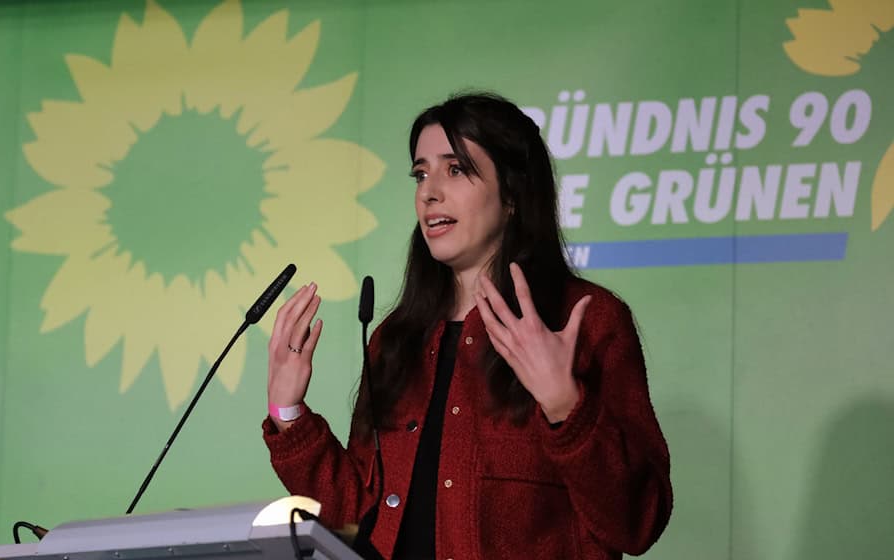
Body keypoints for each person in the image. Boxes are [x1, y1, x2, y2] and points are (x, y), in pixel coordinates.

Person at [262, 92, 672, 559]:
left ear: (513, 194)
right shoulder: (396, 339)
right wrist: (289, 413)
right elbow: (356, 519)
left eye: (455, 169)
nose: (429, 191)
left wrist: (566, 406)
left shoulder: (585, 321)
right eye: (421, 173)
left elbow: (638, 522)